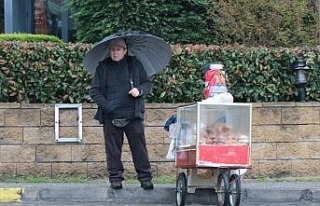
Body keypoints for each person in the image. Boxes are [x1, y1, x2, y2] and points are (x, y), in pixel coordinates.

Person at [89, 38, 153, 190]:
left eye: (118, 49)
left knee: (139, 148)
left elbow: (147, 83)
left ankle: (145, 178)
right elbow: (95, 91)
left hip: (133, 114)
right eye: (112, 49)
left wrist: (139, 90)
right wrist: (107, 106)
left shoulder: (135, 64)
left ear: (125, 51)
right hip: (111, 116)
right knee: (112, 150)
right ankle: (115, 179)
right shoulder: (102, 67)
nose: (115, 52)